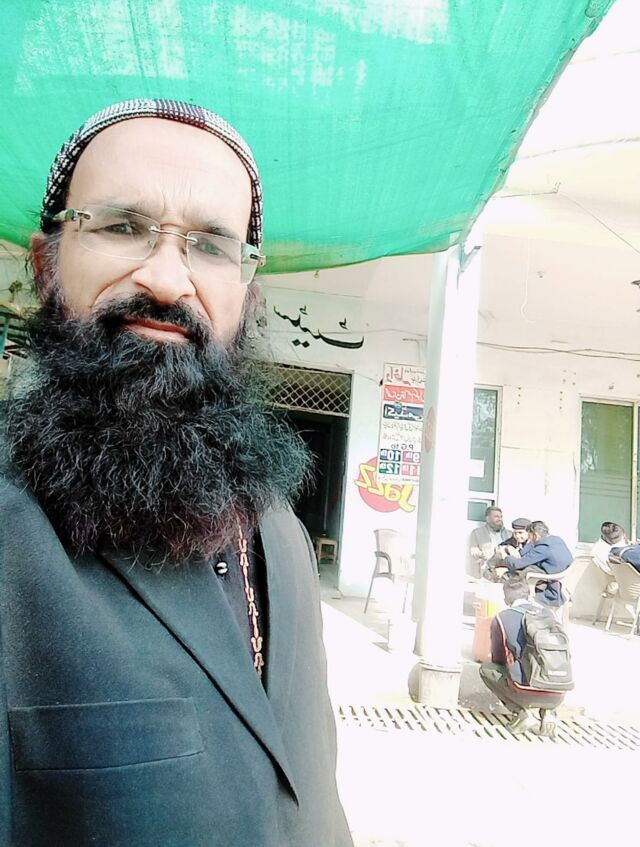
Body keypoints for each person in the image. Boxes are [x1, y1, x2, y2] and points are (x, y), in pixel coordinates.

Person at [0, 100, 353, 847]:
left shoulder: (279, 525)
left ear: (246, 296)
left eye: (211, 246)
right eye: (121, 227)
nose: (166, 280)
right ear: (46, 264)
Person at [479, 573, 565, 736]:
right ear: (528, 594)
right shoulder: (550, 614)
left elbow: (498, 659)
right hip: (560, 690)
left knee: (487, 669)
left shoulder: (502, 618)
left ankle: (521, 713)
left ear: (506, 599)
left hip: (525, 690)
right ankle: (550, 712)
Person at [495, 520, 572, 606]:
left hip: (550, 574)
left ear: (535, 535)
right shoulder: (556, 539)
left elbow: (518, 564)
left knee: (519, 573)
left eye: (530, 536)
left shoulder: (543, 547)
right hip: (559, 570)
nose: (530, 540)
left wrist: (505, 556)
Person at [468, 506, 510, 577]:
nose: (500, 519)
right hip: (487, 567)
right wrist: (481, 554)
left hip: (506, 568)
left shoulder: (509, 534)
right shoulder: (477, 533)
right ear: (488, 519)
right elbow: (473, 550)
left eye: (501, 517)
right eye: (496, 517)